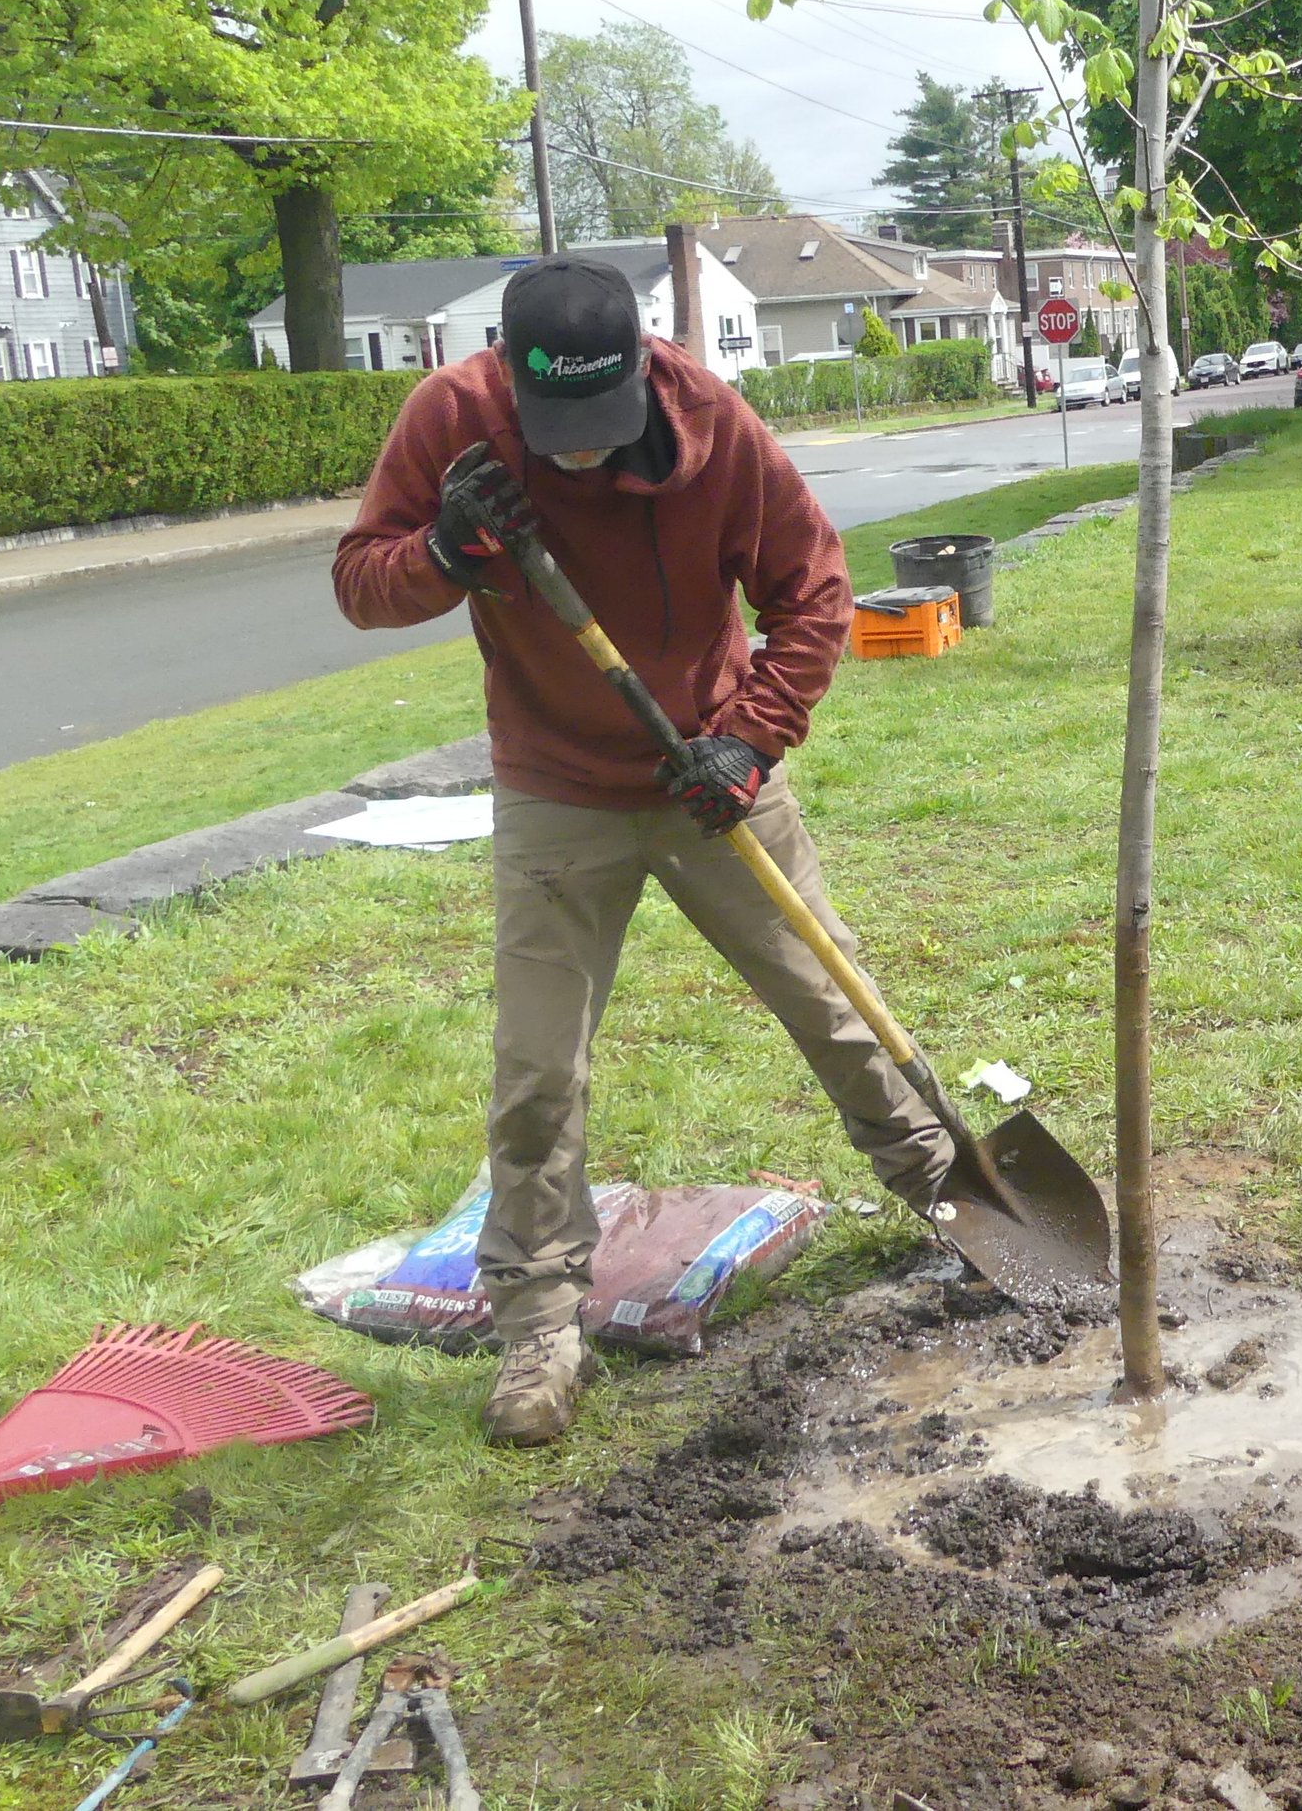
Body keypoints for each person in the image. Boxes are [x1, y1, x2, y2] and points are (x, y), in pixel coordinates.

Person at [333, 256, 953, 1446]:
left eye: (601, 422)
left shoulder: (714, 424)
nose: (579, 453)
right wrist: (447, 551)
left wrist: (749, 740)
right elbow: (363, 584)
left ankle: (956, 1196)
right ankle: (538, 1326)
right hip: (554, 787)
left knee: (833, 1002)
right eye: (555, 428)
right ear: (509, 378)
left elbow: (814, 592)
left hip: (709, 775)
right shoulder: (451, 417)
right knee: (537, 1071)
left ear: (645, 369)